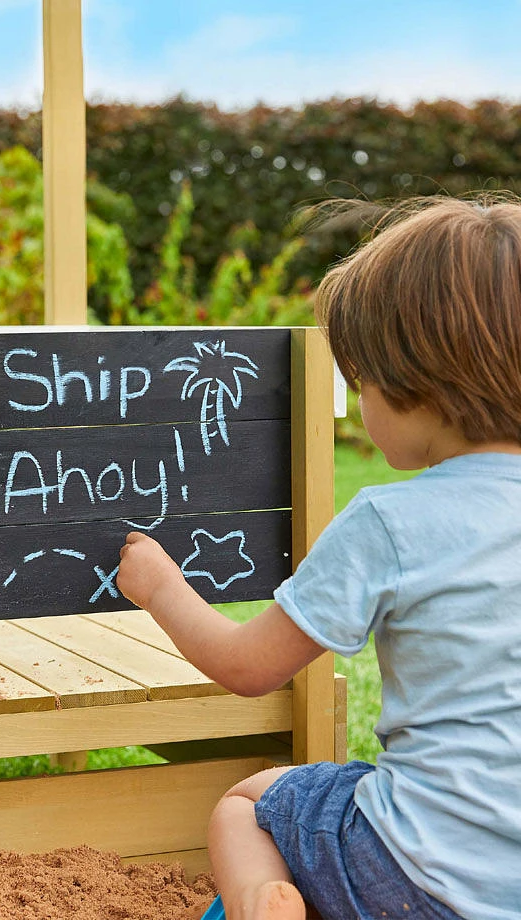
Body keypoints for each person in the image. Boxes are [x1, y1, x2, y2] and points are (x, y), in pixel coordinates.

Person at [116, 196, 521, 920]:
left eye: (360, 379)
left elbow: (249, 667)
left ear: (414, 385)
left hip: (407, 873)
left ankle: (262, 904)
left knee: (249, 802)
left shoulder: (392, 523)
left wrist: (161, 586)